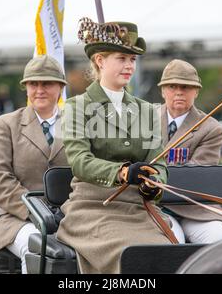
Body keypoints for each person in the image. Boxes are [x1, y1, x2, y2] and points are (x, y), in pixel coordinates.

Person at [56, 18, 172, 274]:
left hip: (139, 210)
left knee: (167, 256)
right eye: (121, 58)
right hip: (93, 209)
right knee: (131, 257)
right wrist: (122, 172)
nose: (129, 65)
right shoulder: (78, 107)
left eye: (132, 59)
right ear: (100, 61)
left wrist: (153, 182)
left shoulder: (147, 110)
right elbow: (79, 161)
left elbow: (159, 162)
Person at [0, 55, 69, 273]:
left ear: (60, 87)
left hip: (70, 215)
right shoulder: (6, 125)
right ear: (26, 88)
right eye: (33, 83)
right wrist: (37, 212)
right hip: (18, 219)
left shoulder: (78, 124)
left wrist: (68, 210)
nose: (39, 89)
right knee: (38, 249)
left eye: (47, 83)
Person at [158, 59, 222, 244]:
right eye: (172, 86)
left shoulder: (211, 128)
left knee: (219, 236)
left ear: (196, 91)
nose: (179, 92)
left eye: (186, 87)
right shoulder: (143, 119)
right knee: (170, 240)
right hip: (152, 206)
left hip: (194, 208)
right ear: (162, 90)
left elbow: (196, 175)